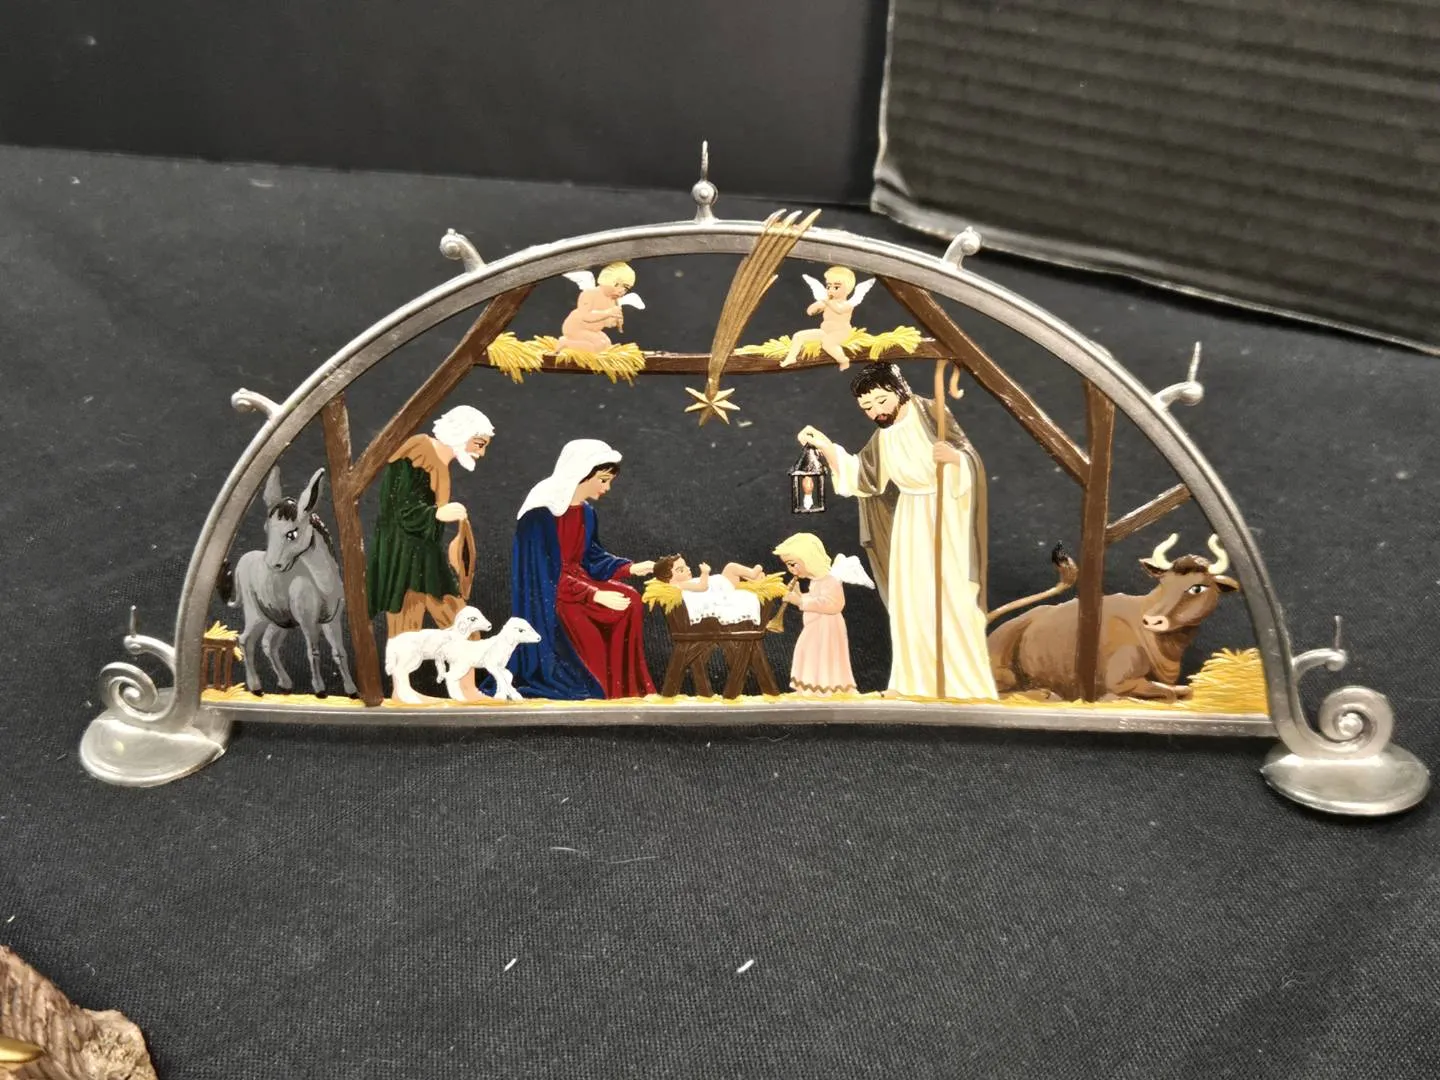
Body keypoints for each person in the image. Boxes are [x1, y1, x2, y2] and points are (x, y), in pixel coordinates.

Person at [796, 362, 997, 700]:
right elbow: (863, 477)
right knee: (912, 600)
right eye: (866, 407)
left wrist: (955, 459)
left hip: (945, 515)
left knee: (948, 596)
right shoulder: (884, 436)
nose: (875, 411)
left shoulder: (933, 414)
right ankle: (914, 683)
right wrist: (826, 446)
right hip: (909, 521)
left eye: (880, 401)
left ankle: (961, 685)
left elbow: (970, 460)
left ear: (899, 390)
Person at [509, 439, 657, 700]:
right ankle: (599, 689)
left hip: (577, 583)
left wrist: (631, 568)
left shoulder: (586, 512)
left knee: (631, 599)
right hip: (552, 596)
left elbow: (592, 558)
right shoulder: (539, 515)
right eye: (603, 480)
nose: (607, 488)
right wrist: (594, 595)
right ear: (581, 472)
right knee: (591, 635)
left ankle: (625, 689)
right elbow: (543, 574)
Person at [772, 532, 872, 695]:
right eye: (788, 565)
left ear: (809, 559)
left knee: (823, 656)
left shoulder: (830, 579)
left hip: (827, 629)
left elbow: (833, 604)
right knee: (809, 652)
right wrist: (799, 595)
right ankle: (810, 689)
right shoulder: (816, 580)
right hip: (815, 627)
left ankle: (825, 690)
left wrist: (800, 601)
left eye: (793, 564)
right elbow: (817, 599)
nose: (791, 569)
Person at [780, 265, 874, 370]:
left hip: (841, 332)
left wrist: (827, 302)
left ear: (847, 290)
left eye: (836, 287)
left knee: (828, 343)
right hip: (825, 331)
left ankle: (843, 360)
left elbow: (839, 310)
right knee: (798, 336)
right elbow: (810, 312)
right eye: (828, 286)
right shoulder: (828, 302)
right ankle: (791, 358)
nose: (830, 290)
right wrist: (817, 306)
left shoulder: (847, 304)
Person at [652, 554, 767, 625]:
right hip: (722, 587)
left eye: (686, 566)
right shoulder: (681, 585)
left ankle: (752, 577)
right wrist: (705, 573)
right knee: (731, 567)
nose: (688, 569)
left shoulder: (681, 584)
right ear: (670, 579)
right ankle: (752, 574)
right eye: (681, 570)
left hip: (721, 584)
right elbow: (702, 587)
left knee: (732, 570)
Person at [557, 262, 640, 352]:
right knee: (597, 347)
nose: (621, 291)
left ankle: (573, 344)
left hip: (593, 330)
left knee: (606, 344)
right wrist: (608, 313)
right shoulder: (589, 293)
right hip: (575, 328)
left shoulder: (613, 300)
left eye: (626, 289)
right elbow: (585, 316)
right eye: (617, 285)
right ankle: (565, 343)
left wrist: (616, 320)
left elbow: (608, 323)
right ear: (607, 279)